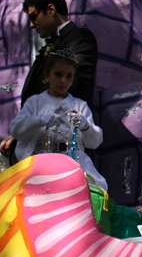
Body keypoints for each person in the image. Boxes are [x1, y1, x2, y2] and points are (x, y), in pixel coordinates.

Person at [0, 0, 98, 156]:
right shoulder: (51, 45)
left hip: (63, 147)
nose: (31, 25)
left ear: (51, 10)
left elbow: (71, 87)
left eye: (34, 16)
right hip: (37, 147)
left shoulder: (80, 38)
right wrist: (21, 133)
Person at [10, 49, 107, 190]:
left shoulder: (79, 105)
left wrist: (86, 126)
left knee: (86, 188)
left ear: (73, 79)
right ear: (47, 75)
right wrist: (40, 120)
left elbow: (94, 142)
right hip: (40, 163)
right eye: (58, 74)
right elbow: (16, 130)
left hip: (72, 162)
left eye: (69, 76)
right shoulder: (35, 102)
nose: (63, 81)